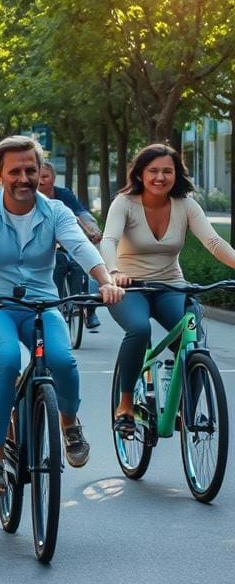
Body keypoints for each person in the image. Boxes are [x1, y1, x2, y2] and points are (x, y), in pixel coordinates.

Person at [0, 135, 123, 494]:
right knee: (8, 358)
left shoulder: (55, 211)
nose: (24, 178)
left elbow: (79, 247)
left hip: (42, 304)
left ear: (41, 171)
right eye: (15, 171)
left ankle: (69, 423)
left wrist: (105, 281)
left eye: (31, 170)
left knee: (62, 360)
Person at [102, 143, 235, 437]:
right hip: (129, 286)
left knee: (193, 340)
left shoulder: (187, 205)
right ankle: (125, 406)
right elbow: (109, 240)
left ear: (177, 175)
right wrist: (113, 272)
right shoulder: (124, 203)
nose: (160, 177)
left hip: (170, 285)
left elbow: (214, 243)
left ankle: (182, 406)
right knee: (138, 329)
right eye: (153, 171)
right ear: (139, 173)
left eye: (167, 171)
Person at [38, 162, 103, 328]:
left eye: (45, 177)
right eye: (37, 176)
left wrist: (93, 231)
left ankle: (87, 309)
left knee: (79, 266)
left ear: (53, 178)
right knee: (58, 265)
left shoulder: (64, 195)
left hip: (70, 241)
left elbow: (81, 213)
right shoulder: (30, 199)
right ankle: (55, 307)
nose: (40, 181)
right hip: (47, 247)